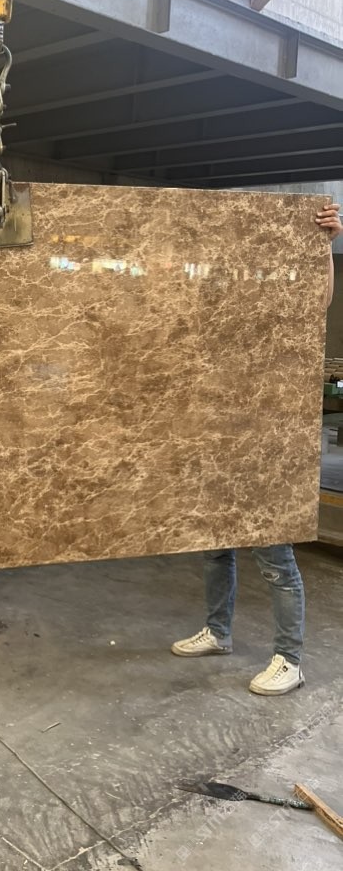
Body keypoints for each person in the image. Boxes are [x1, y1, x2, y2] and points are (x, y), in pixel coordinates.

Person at [172, 201, 343, 696]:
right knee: (214, 548)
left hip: (268, 452)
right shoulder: (216, 325)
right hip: (221, 444)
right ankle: (218, 632)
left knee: (275, 559)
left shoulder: (278, 322)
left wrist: (323, 248)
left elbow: (316, 301)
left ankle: (290, 659)